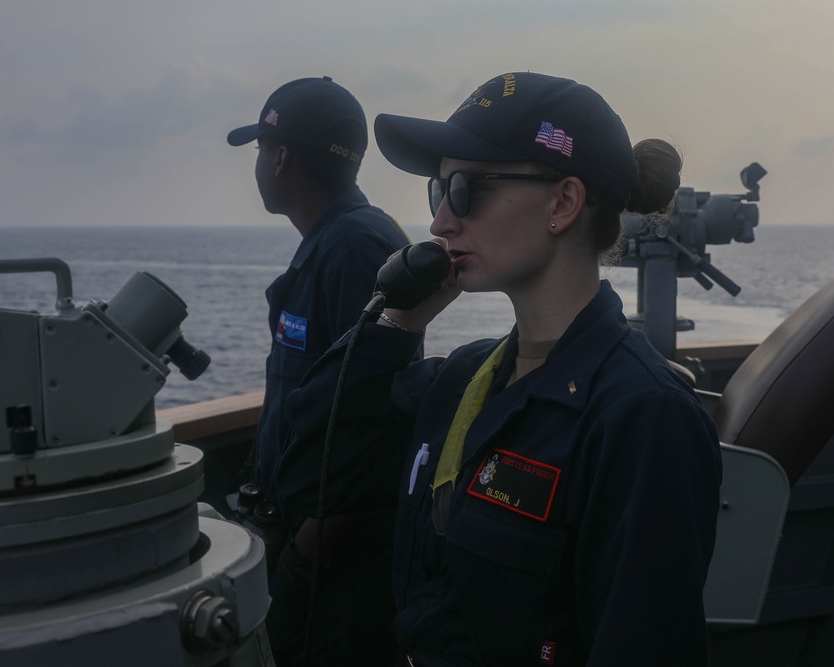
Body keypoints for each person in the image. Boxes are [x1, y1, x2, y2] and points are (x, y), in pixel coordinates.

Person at [277, 72, 722, 666]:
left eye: (466, 189)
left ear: (563, 203)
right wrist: (396, 326)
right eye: (437, 193)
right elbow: (307, 479)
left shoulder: (641, 416)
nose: (440, 223)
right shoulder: (460, 381)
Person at [227, 76, 412, 666]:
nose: (258, 163)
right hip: (309, 541)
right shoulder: (338, 241)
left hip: (333, 561)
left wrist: (309, 555)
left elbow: (372, 413)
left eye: (260, 149)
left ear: (281, 159)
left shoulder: (355, 248)